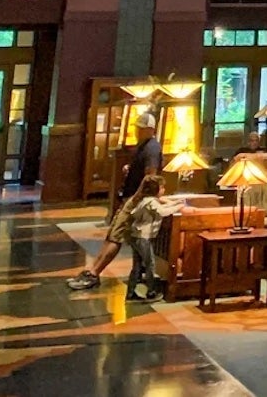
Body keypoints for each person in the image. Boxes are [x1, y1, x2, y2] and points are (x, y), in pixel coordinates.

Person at [68, 111, 162, 291]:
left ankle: (94, 274)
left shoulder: (151, 148)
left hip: (134, 201)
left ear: (150, 129)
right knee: (112, 235)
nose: (137, 131)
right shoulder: (144, 146)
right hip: (130, 198)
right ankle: (92, 270)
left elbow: (150, 177)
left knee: (115, 237)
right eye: (137, 128)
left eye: (141, 129)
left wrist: (135, 200)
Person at [125, 174, 182, 302]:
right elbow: (162, 212)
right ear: (155, 189)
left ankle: (130, 293)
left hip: (136, 236)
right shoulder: (150, 201)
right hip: (143, 237)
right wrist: (179, 207)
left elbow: (161, 208)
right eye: (162, 187)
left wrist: (174, 203)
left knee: (137, 266)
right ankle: (151, 292)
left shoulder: (146, 200)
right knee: (150, 264)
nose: (164, 190)